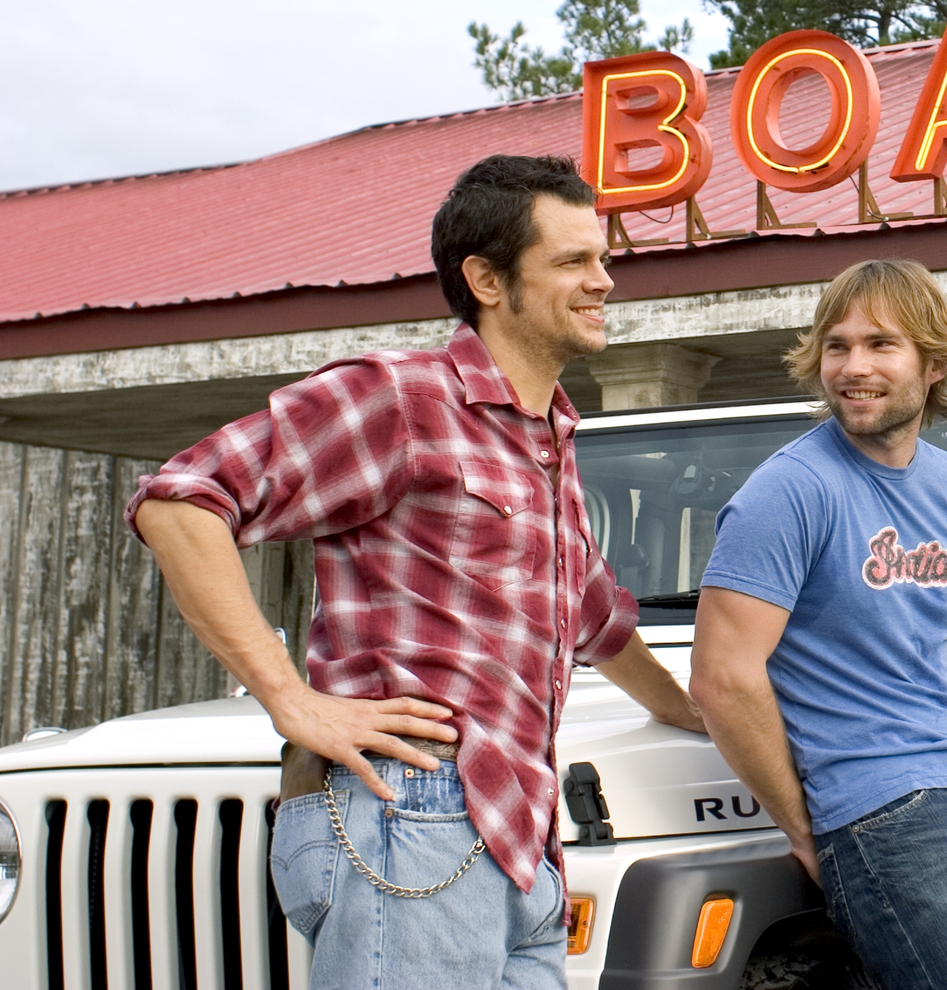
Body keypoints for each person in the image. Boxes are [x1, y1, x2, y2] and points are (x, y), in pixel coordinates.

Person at [128, 154, 703, 990]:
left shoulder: (550, 439)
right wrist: (294, 702)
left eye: (604, 258)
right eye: (574, 260)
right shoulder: (400, 398)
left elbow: (595, 619)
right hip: (413, 814)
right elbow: (181, 502)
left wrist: (701, 714)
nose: (604, 280)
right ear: (487, 279)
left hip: (523, 841)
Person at [690, 259, 947, 990]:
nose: (854, 367)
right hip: (877, 813)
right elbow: (723, 678)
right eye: (837, 345)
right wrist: (806, 827)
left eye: (881, 344)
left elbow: (945, 656)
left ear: (934, 363)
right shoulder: (789, 490)